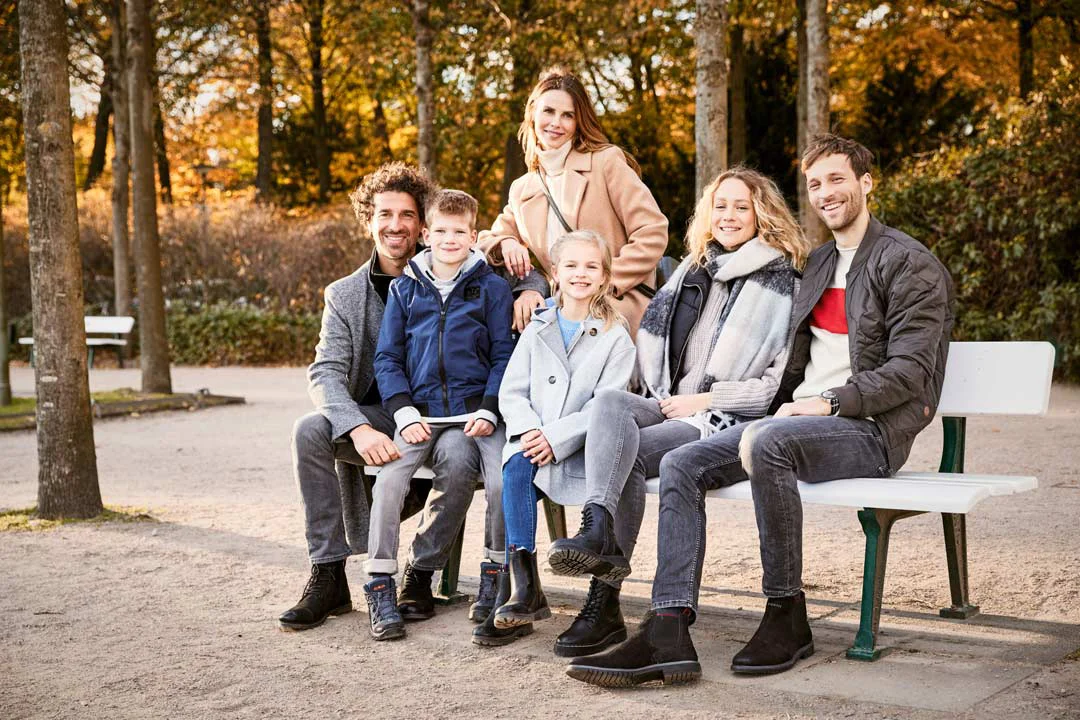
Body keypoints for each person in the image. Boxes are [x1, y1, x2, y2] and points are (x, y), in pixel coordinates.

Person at [566, 134, 954, 687]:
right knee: (683, 464)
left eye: (838, 179)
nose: (826, 193)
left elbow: (911, 373)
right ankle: (667, 628)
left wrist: (829, 402)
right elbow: (780, 364)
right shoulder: (817, 265)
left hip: (867, 430)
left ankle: (786, 612)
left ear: (867, 183)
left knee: (765, 441)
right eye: (815, 184)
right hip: (794, 421)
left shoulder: (909, 264)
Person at [545, 167, 809, 658]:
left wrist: (706, 400)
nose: (728, 215)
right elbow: (652, 355)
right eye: (721, 205)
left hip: (722, 419)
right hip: (668, 403)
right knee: (608, 403)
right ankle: (597, 525)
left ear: (762, 214)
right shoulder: (691, 270)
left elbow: (773, 388)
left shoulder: (784, 282)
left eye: (741, 206)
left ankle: (604, 602)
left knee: (626, 454)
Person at [279, 167, 542, 634]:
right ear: (369, 220)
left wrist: (531, 290)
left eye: (406, 214)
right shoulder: (345, 294)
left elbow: (519, 278)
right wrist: (359, 428)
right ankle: (328, 573)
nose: (395, 225)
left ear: (421, 223)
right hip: (386, 413)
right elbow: (325, 372)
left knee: (459, 456)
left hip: (458, 412)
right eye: (384, 214)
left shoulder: (458, 260)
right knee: (310, 430)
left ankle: (421, 574)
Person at [472, 231, 636, 647]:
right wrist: (531, 431)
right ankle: (523, 588)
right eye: (571, 266)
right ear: (555, 274)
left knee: (526, 460)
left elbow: (607, 406)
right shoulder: (537, 326)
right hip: (533, 439)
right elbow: (513, 392)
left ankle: (565, 600)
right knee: (514, 466)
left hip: (580, 446)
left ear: (603, 277)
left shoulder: (616, 337)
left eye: (591, 266)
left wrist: (555, 438)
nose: (581, 274)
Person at [366, 189, 515, 640]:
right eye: (442, 232)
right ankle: (379, 581)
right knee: (390, 480)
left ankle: (496, 575)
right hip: (420, 414)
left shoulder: (490, 287)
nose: (451, 240)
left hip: (478, 413)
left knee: (503, 479)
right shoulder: (405, 288)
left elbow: (503, 356)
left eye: (461, 232)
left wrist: (490, 408)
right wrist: (404, 411)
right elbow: (388, 359)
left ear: (474, 235)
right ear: (427, 235)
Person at [478, 68, 668, 337]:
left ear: (579, 122)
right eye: (549, 111)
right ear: (532, 113)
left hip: (616, 304)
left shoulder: (605, 162)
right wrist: (506, 242)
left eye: (568, 115)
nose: (556, 122)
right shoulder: (523, 188)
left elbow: (653, 232)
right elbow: (485, 241)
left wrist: (603, 283)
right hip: (562, 311)